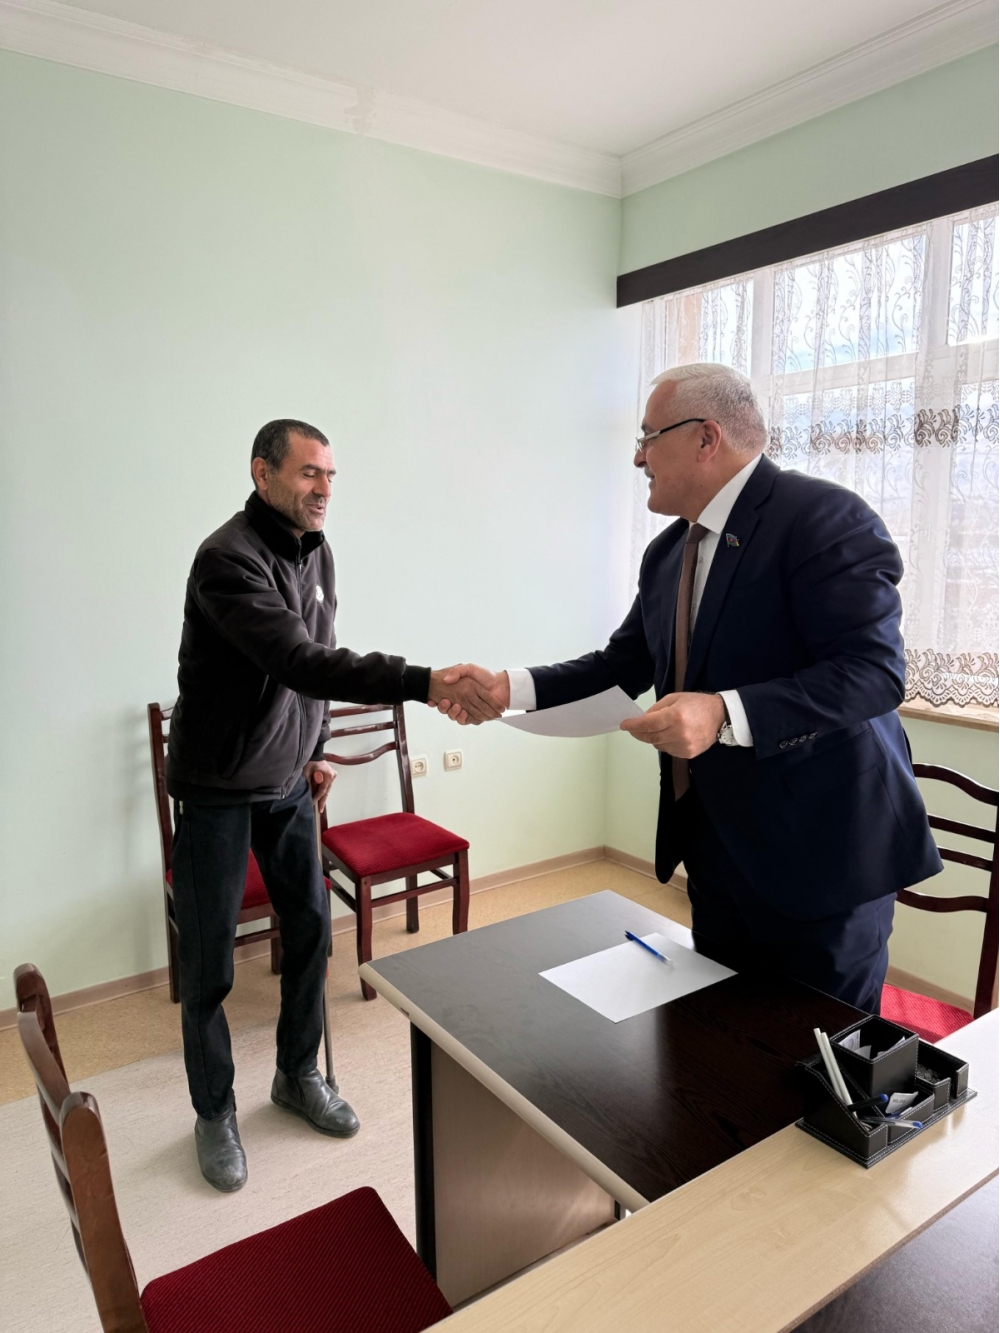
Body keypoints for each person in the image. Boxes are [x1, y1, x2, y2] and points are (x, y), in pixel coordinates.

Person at [438, 364, 940, 1014]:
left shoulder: (823, 517)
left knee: (816, 1055)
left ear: (706, 437)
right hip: (716, 853)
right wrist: (508, 688)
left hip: (823, 858)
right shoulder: (668, 553)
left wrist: (724, 712)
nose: (637, 457)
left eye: (648, 437)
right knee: (719, 1041)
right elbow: (621, 665)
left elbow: (873, 671)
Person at [167, 418, 498, 1192]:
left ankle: (296, 1074)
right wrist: (423, 681)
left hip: (288, 780)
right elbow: (299, 658)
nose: (323, 488)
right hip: (218, 787)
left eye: (330, 475)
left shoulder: (317, 552)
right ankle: (214, 1112)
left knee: (313, 932)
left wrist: (315, 748)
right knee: (210, 964)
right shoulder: (225, 559)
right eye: (308, 472)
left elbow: (314, 661)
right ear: (262, 474)